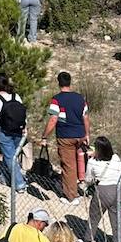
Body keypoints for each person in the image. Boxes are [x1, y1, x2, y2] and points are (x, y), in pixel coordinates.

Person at [41, 71, 90, 206]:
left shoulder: (57, 99)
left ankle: (71, 196)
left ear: (59, 83)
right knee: (79, 162)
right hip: (79, 134)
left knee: (68, 166)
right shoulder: (80, 98)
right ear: (70, 82)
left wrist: (44, 136)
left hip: (65, 136)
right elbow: (85, 117)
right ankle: (81, 188)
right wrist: (87, 134)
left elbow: (53, 119)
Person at [0, 73, 29, 192]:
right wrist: (25, 127)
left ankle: (19, 184)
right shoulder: (16, 96)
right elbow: (23, 113)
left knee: (10, 157)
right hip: (19, 130)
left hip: (4, 131)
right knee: (11, 155)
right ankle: (6, 177)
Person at [85, 135, 121, 242]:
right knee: (117, 222)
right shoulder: (116, 158)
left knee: (94, 218)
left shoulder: (93, 162)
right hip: (118, 191)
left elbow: (88, 179)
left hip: (102, 191)